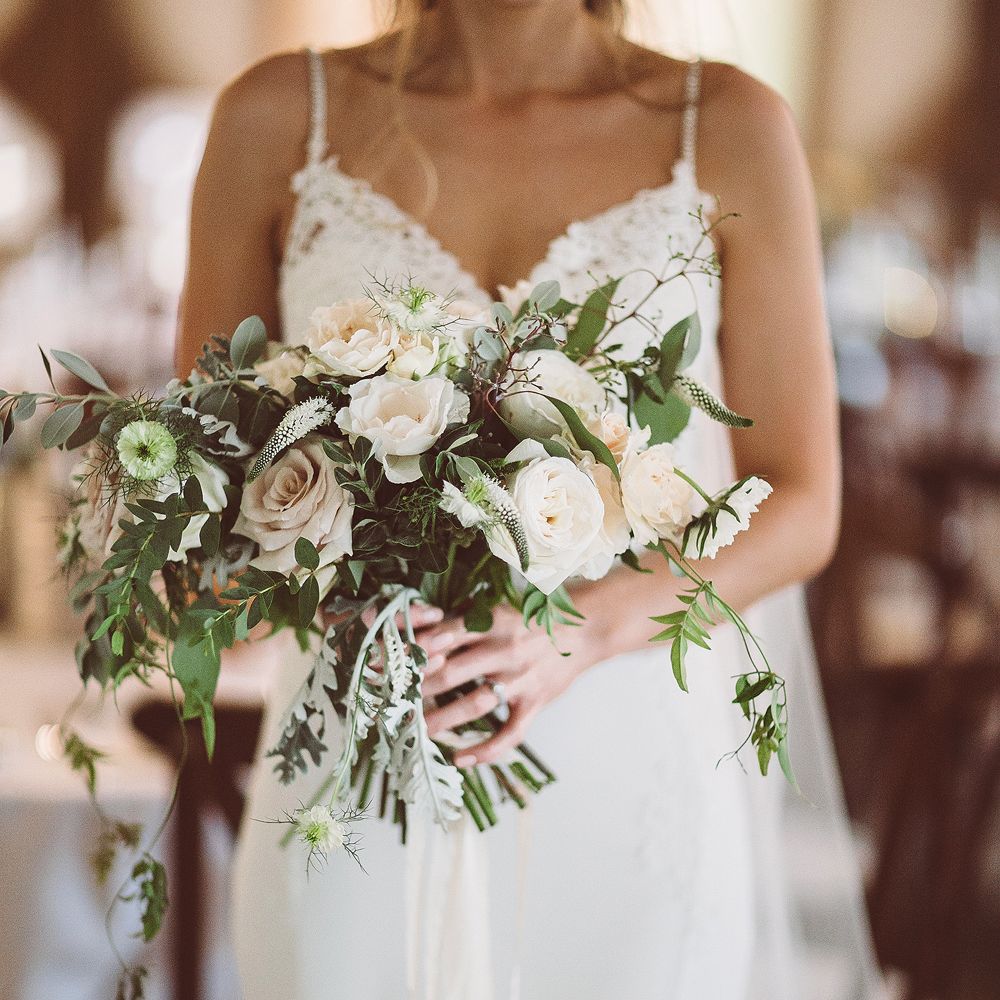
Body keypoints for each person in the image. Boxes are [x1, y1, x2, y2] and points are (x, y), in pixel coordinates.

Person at [177, 3, 880, 997]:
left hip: (627, 767)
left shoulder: (728, 126)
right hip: (359, 760)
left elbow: (802, 502)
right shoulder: (278, 115)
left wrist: (584, 628)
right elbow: (212, 481)